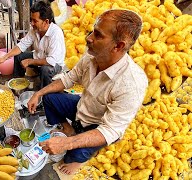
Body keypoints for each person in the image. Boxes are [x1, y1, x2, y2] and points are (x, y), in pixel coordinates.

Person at [27, 9, 148, 175]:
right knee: (48, 97)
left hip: (97, 126)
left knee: (71, 157)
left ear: (118, 46)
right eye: (92, 31)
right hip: (82, 107)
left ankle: (81, 156)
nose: (88, 38)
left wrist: (66, 144)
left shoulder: (132, 83)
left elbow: (109, 130)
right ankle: (68, 128)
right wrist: (38, 94)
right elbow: (68, 79)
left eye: (98, 35)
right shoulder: (92, 56)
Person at [0, 0, 66, 88]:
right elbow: (21, 45)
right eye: (31, 20)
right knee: (18, 56)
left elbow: (51, 61)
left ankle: (44, 96)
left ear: (46, 22)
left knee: (45, 70)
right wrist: (5, 57)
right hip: (39, 57)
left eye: (35, 21)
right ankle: (17, 84)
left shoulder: (56, 33)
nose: (32, 23)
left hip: (54, 65)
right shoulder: (35, 30)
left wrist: (29, 61)